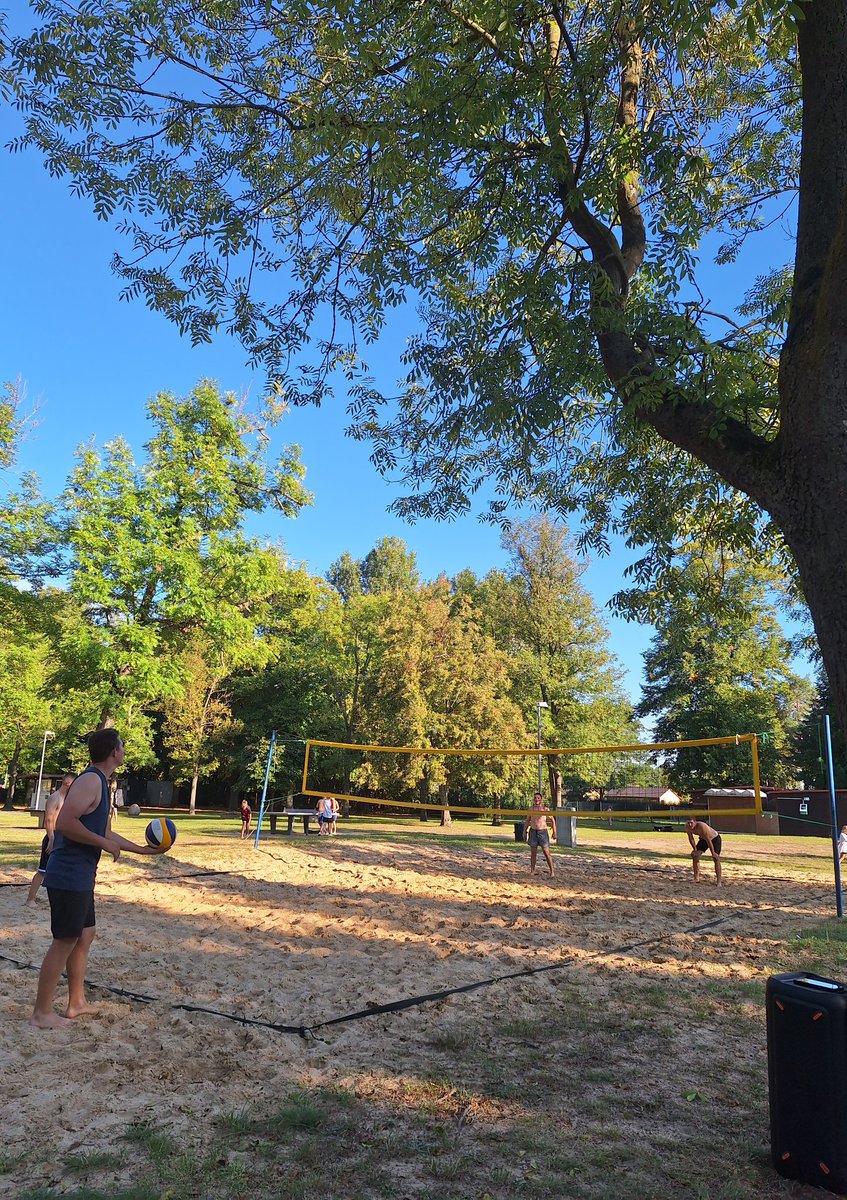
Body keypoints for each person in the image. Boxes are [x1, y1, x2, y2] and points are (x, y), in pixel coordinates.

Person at [29, 728, 166, 1029]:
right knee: (64, 940)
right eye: (122, 745)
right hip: (68, 874)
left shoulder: (102, 782)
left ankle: (76, 1003)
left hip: (81, 875)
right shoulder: (90, 780)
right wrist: (104, 844)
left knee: (85, 934)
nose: (124, 750)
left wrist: (143, 850)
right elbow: (65, 823)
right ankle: (41, 1013)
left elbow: (104, 831)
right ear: (114, 751)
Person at [25, 774, 74, 906]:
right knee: (43, 870)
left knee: (64, 869)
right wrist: (51, 838)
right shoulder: (55, 797)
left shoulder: (68, 798)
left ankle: (62, 898)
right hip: (53, 836)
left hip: (64, 837)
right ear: (68, 783)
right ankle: (30, 899)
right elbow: (48, 820)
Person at [524, 792, 557, 876]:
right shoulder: (531, 809)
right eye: (535, 798)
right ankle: (532, 871)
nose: (536, 799)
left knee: (546, 852)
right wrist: (524, 831)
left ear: (541, 799)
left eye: (538, 798)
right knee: (533, 853)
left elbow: (553, 820)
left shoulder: (545, 809)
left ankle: (552, 871)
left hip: (543, 832)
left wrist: (554, 832)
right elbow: (527, 821)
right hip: (533, 831)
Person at [686, 818, 723, 885]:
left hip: (714, 839)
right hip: (703, 839)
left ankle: (719, 882)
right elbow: (691, 838)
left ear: (695, 822)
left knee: (716, 858)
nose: (690, 824)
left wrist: (713, 853)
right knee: (695, 856)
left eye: (691, 823)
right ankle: (696, 878)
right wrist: (695, 850)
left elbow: (708, 840)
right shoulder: (687, 827)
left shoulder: (702, 826)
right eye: (688, 823)